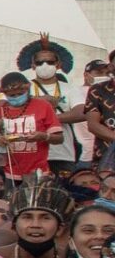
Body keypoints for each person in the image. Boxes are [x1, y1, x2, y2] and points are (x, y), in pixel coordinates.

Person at [19, 35, 82, 171]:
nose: (45, 65)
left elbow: (81, 112)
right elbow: (9, 111)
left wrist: (48, 120)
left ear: (58, 65)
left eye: (50, 62)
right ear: (33, 65)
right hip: (28, 153)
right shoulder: (21, 88)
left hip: (62, 153)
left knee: (62, 191)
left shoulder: (70, 88)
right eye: (40, 62)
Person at [0, 71, 62, 183]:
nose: (17, 97)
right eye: (12, 95)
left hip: (39, 172)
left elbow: (59, 138)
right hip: (8, 173)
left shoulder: (43, 106)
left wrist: (43, 136)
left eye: (20, 93)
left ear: (27, 89)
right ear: (5, 94)